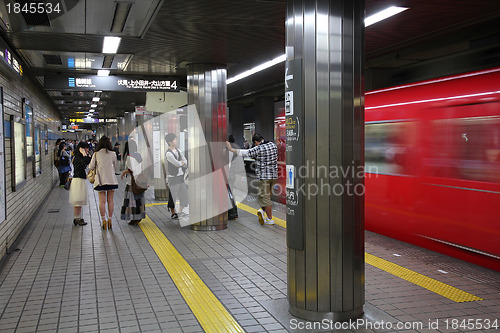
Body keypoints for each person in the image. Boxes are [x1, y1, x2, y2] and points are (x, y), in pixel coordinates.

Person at [226, 133, 277, 225]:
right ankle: (261, 210)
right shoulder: (273, 145)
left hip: (264, 177)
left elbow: (245, 153)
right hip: (274, 176)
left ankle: (270, 219)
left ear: (256, 142)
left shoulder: (259, 148)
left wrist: (231, 149)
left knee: (265, 198)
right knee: (268, 196)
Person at [89, 136, 118, 230]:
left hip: (100, 181)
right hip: (111, 180)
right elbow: (115, 166)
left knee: (102, 201)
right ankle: (110, 219)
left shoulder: (96, 154)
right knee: (110, 201)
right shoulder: (113, 153)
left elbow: (91, 166)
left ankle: (103, 221)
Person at [120, 139, 146, 225]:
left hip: (132, 182)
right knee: (139, 200)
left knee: (131, 201)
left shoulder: (129, 156)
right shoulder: (138, 155)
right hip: (140, 180)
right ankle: (139, 217)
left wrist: (126, 172)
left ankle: (134, 218)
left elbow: (132, 169)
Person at [165, 133, 189, 217]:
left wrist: (181, 163)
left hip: (181, 176)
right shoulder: (168, 153)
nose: (176, 141)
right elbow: (176, 163)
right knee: (173, 195)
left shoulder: (178, 150)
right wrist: (181, 163)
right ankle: (173, 212)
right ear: (169, 142)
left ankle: (180, 210)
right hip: (173, 177)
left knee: (184, 194)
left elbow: (185, 161)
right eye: (174, 140)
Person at [69, 142, 91, 226]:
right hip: (77, 180)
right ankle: (76, 218)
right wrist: (84, 154)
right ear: (81, 148)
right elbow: (82, 164)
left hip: (81, 179)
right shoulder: (77, 157)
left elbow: (89, 162)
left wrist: (86, 155)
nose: (87, 150)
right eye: (86, 148)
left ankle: (78, 217)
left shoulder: (81, 156)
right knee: (77, 200)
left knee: (80, 200)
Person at [227, 135, 239, 220]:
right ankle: (234, 213)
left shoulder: (229, 150)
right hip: (233, 175)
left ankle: (232, 213)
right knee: (231, 193)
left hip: (228, 175)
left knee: (229, 194)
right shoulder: (235, 148)